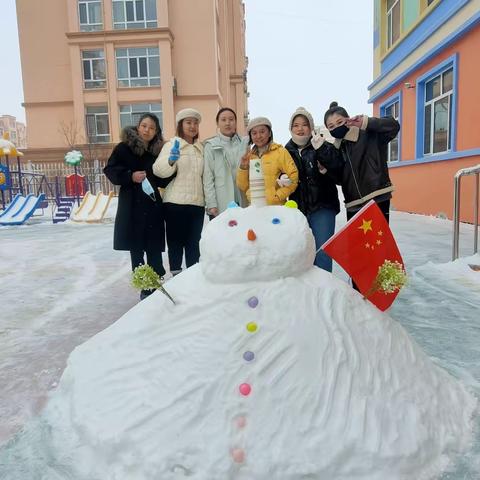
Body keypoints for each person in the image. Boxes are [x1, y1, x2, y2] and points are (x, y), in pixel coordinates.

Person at [103, 113, 172, 300]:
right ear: (138, 127)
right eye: (144, 126)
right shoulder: (124, 148)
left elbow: (163, 179)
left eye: (151, 127)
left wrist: (172, 163)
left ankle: (156, 287)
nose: (147, 130)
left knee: (154, 248)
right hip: (132, 206)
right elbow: (110, 170)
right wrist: (130, 176)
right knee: (137, 248)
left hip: (152, 206)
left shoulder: (159, 152)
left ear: (156, 131)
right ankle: (144, 289)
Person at [322, 101, 400, 223]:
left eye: (340, 122)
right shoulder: (336, 150)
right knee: (357, 242)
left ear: (348, 120)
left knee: (379, 241)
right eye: (331, 126)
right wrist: (325, 170)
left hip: (378, 197)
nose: (336, 127)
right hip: (353, 204)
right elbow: (340, 180)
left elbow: (393, 126)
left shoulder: (368, 133)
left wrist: (366, 122)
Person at [285, 107, 341, 272]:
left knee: (322, 252)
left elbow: (338, 168)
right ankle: (308, 293)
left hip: (323, 206)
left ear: (311, 127)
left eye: (304, 124)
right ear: (291, 128)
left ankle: (324, 291)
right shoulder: (285, 151)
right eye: (296, 125)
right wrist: (281, 178)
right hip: (298, 209)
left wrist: (322, 151)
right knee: (302, 253)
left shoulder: (321, 144)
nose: (300, 128)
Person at [153, 108, 204, 276]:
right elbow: (158, 170)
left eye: (195, 123)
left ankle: (192, 279)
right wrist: (170, 160)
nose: (192, 126)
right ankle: (176, 278)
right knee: (175, 244)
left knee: (193, 244)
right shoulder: (171, 145)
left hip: (196, 204)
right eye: (188, 122)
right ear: (180, 125)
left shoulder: (201, 149)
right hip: (175, 203)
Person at [237, 117, 298, 206]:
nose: (258, 136)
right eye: (254, 133)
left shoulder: (280, 152)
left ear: (269, 133)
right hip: (255, 206)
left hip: (276, 207)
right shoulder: (249, 156)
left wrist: (277, 196)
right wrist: (243, 167)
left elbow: (293, 178)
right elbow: (242, 185)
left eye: (262, 131)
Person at [203, 107, 249, 218]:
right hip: (221, 202)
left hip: (241, 199)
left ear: (236, 122)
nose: (228, 123)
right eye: (223, 120)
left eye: (231, 119)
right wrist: (211, 204)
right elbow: (208, 176)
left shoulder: (244, 143)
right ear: (217, 123)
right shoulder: (211, 145)